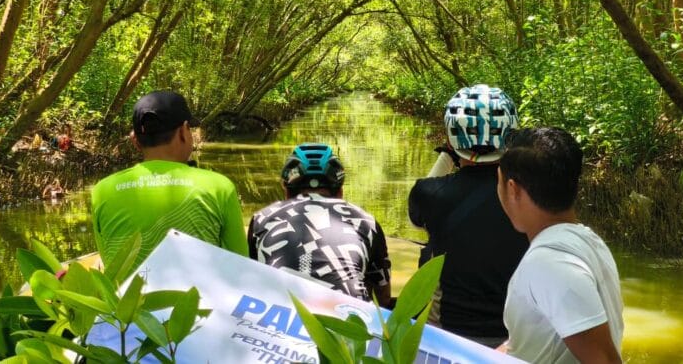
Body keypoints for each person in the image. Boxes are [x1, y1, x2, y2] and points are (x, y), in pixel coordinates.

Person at [408, 84, 528, 347]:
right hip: (514, 337)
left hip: (447, 333)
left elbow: (415, 221)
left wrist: (448, 154)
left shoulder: (428, 193)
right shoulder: (530, 196)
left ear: (451, 139)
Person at [497, 127, 623, 363]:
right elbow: (535, 340)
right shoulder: (589, 242)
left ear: (513, 189)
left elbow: (604, 360)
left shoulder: (550, 264)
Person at [91, 91, 247, 272]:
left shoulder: (102, 191)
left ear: (135, 140)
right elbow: (240, 266)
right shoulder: (220, 187)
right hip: (197, 300)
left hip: (127, 300)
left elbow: (108, 260)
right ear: (183, 131)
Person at [248, 143, 393, 308]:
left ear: (287, 193)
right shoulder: (366, 221)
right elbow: (383, 298)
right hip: (349, 320)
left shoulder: (262, 218)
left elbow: (252, 280)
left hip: (278, 315)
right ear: (340, 193)